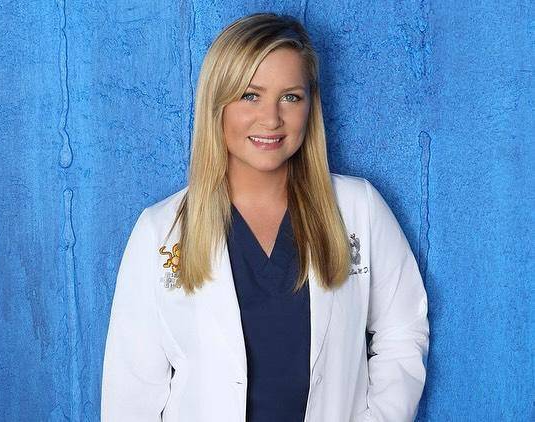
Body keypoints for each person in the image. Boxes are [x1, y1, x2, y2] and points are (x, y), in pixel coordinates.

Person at [101, 12, 429, 422]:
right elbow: (131, 393)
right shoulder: (160, 232)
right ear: (217, 103)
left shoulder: (358, 209)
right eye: (250, 95)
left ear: (311, 105)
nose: (271, 119)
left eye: (290, 97)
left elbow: (403, 330)